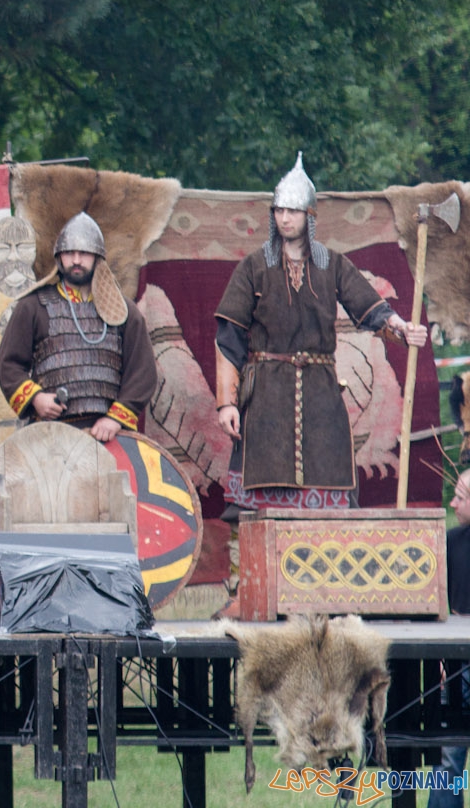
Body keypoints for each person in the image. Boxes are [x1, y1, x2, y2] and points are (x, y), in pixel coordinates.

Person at [214, 155, 427, 508]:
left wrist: (402, 328)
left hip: (320, 395)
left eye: (293, 211)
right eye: (279, 211)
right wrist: (226, 403)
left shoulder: (332, 264)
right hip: (266, 394)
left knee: (330, 493)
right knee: (254, 505)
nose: (284, 218)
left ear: (310, 216)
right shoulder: (253, 267)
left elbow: (370, 308)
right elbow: (229, 337)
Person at [0, 211, 157, 443]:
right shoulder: (33, 306)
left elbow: (143, 372)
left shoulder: (124, 312)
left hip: (109, 435)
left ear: (97, 257)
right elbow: (7, 364)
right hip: (50, 435)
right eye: (69, 253)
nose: (77, 260)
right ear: (59, 258)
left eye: (84, 253)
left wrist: (115, 419)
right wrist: (36, 398)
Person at [427, 472, 470, 807]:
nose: (452, 503)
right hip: (457, 663)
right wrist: (442, 658)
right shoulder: (451, 542)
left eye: (460, 497)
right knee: (449, 757)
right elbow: (440, 606)